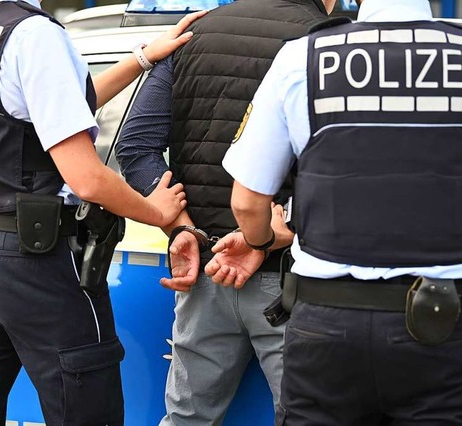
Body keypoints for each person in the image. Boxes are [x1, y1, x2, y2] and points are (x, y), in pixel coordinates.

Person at [221, 0, 462, 424]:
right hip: (441, 323)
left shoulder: (302, 55)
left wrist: (262, 241)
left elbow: (247, 202)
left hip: (325, 326)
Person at [0, 0, 205, 424]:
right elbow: (88, 179)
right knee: (87, 411)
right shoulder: (35, 33)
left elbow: (59, 107)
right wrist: (155, 211)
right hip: (36, 259)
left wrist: (142, 58)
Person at [114, 0, 333, 423]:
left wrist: (183, 229)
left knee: (186, 420)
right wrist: (277, 226)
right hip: (295, 280)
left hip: (203, 272)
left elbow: (136, 147)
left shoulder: (196, 31)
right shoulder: (328, 44)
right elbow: (345, 169)